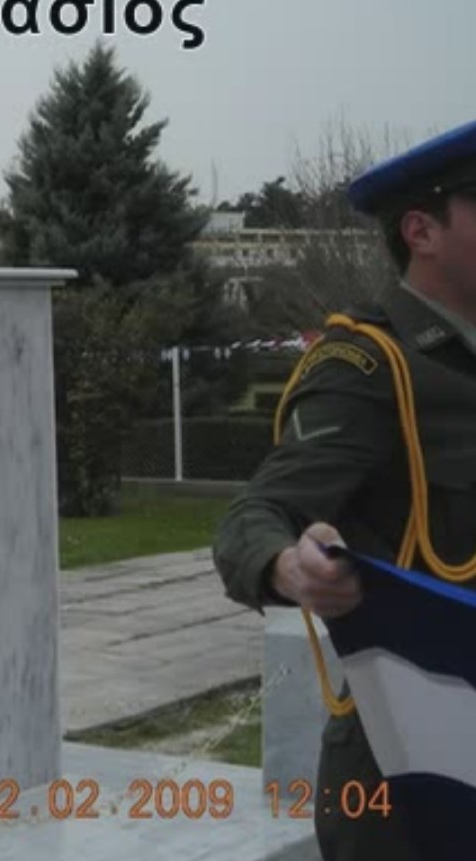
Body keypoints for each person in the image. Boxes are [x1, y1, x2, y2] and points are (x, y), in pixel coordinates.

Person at [212, 118, 476, 860]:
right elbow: (258, 511)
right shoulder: (369, 365)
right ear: (422, 230)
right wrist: (288, 566)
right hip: (410, 757)